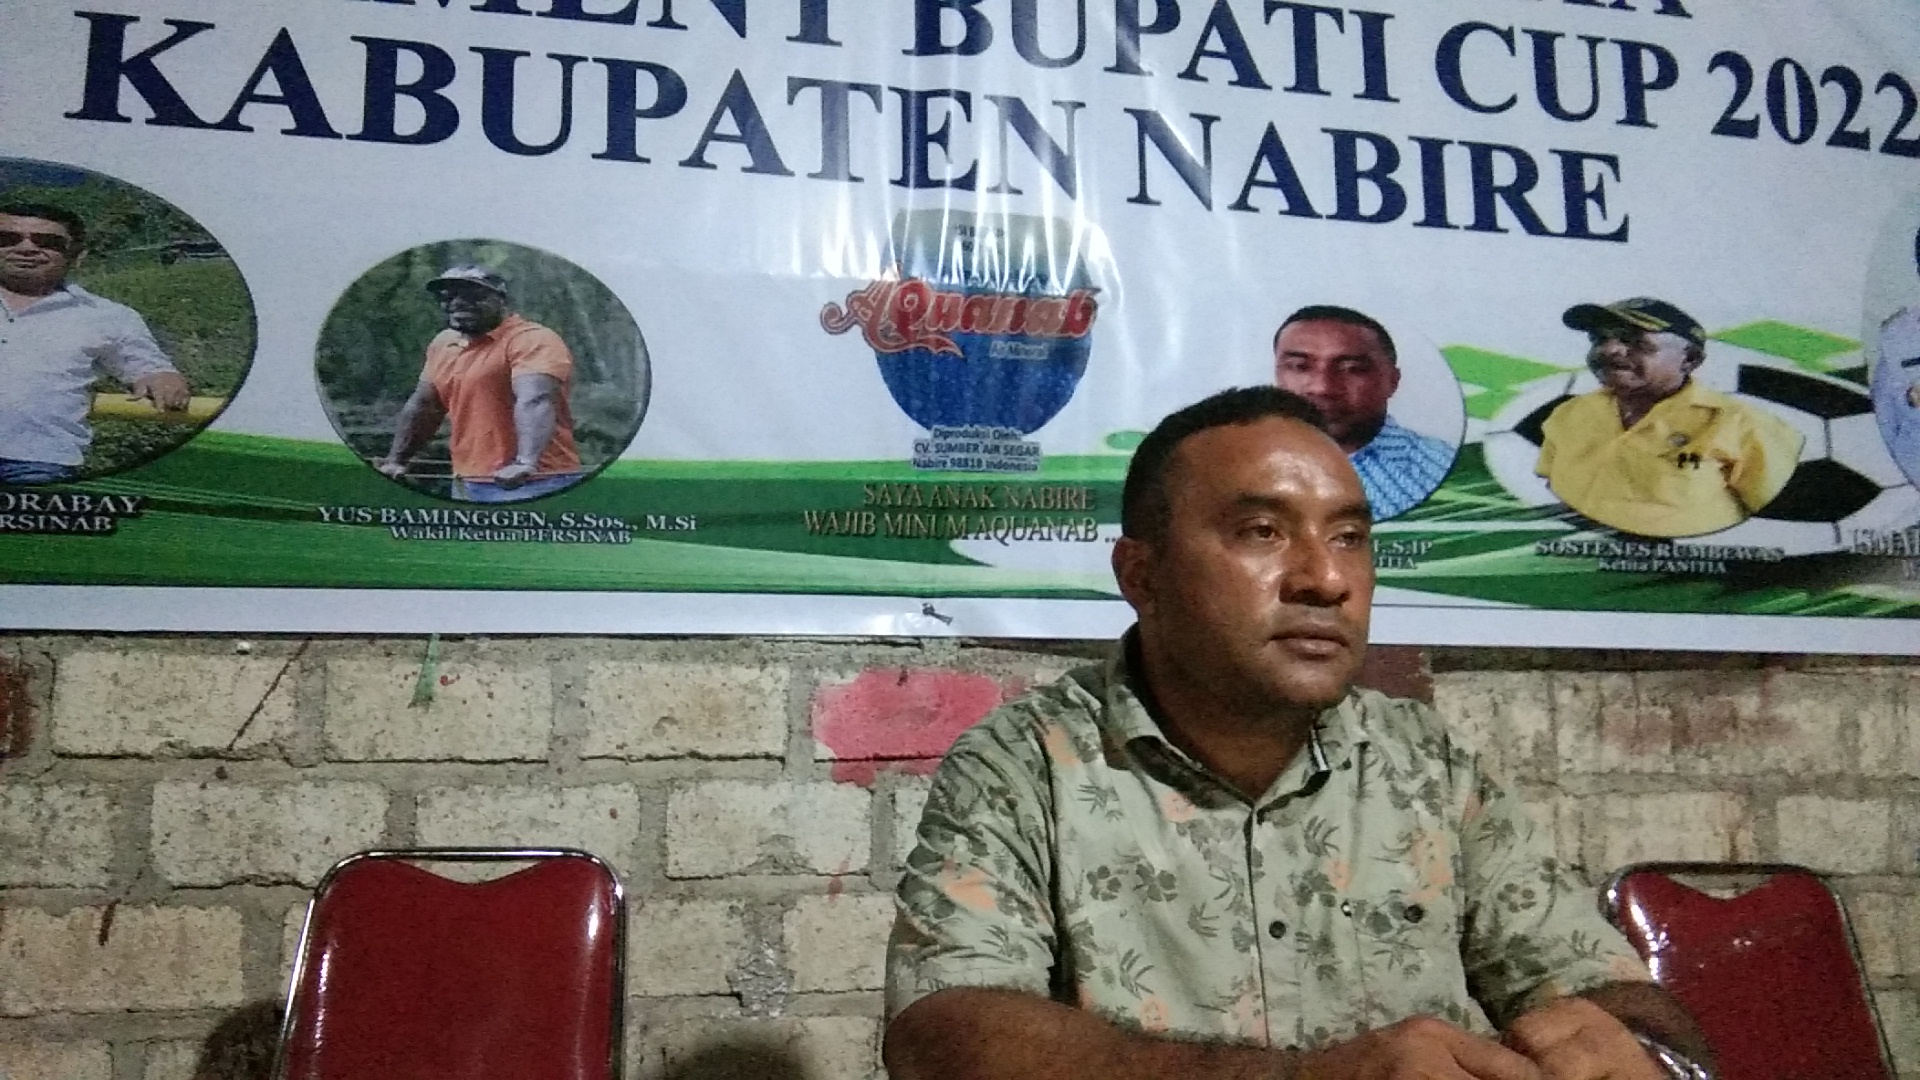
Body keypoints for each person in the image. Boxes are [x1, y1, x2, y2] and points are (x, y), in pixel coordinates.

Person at [886, 386, 1713, 1080]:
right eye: (1262, 532)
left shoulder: (1425, 766)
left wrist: (1640, 1049)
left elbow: (1606, 986)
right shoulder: (1028, 764)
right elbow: (943, 1034)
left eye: (1350, 537)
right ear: (1142, 574)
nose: (1325, 579)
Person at [1537, 297, 1802, 538]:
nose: (1609, 349)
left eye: (1632, 340)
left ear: (1690, 359)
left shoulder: (1745, 425)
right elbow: (1549, 486)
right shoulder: (1569, 414)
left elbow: (1779, 521)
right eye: (1598, 339)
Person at [0, 201, 189, 485]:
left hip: (38, 460)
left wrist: (162, 378)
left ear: (77, 255)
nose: (26, 248)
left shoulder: (109, 316)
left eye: (48, 242)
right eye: (7, 238)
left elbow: (149, 367)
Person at [377, 265, 583, 502]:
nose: (458, 302)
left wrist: (525, 462)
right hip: (467, 481)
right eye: (447, 296)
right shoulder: (443, 343)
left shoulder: (532, 339)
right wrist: (396, 460)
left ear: (501, 299)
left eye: (473, 295)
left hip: (536, 481)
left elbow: (535, 399)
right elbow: (425, 406)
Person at [1272, 305, 1456, 520]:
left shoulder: (1442, 467)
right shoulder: (1244, 462)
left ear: (1392, 381)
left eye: (1352, 369)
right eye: (1299, 366)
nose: (1322, 387)